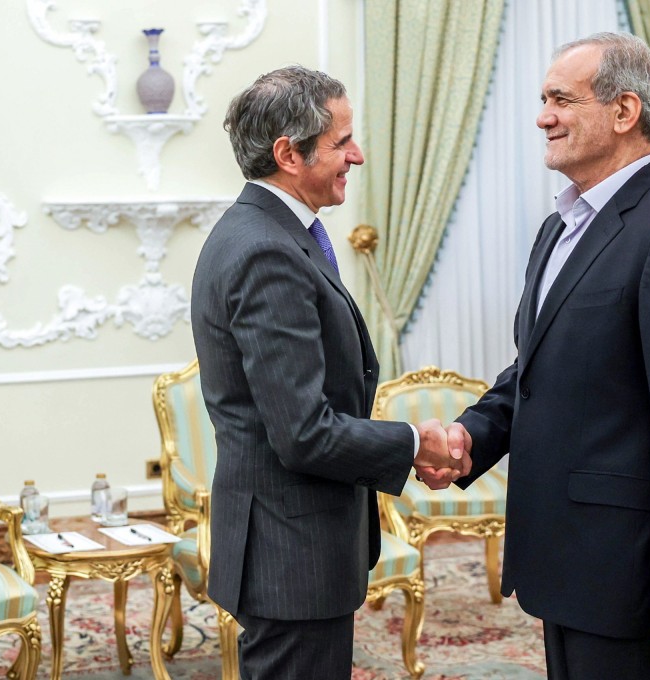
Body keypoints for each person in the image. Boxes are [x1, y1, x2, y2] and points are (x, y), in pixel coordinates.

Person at [421, 33, 650, 679]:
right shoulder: (560, 227)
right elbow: (536, 371)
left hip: (627, 573)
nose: (544, 117)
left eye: (561, 100)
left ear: (625, 111)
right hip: (563, 560)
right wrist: (471, 437)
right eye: (543, 100)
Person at [191, 65, 467, 679]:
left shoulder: (268, 232)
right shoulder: (266, 250)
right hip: (290, 553)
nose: (357, 155)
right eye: (342, 142)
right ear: (289, 154)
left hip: (289, 543)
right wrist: (413, 442)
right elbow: (304, 432)